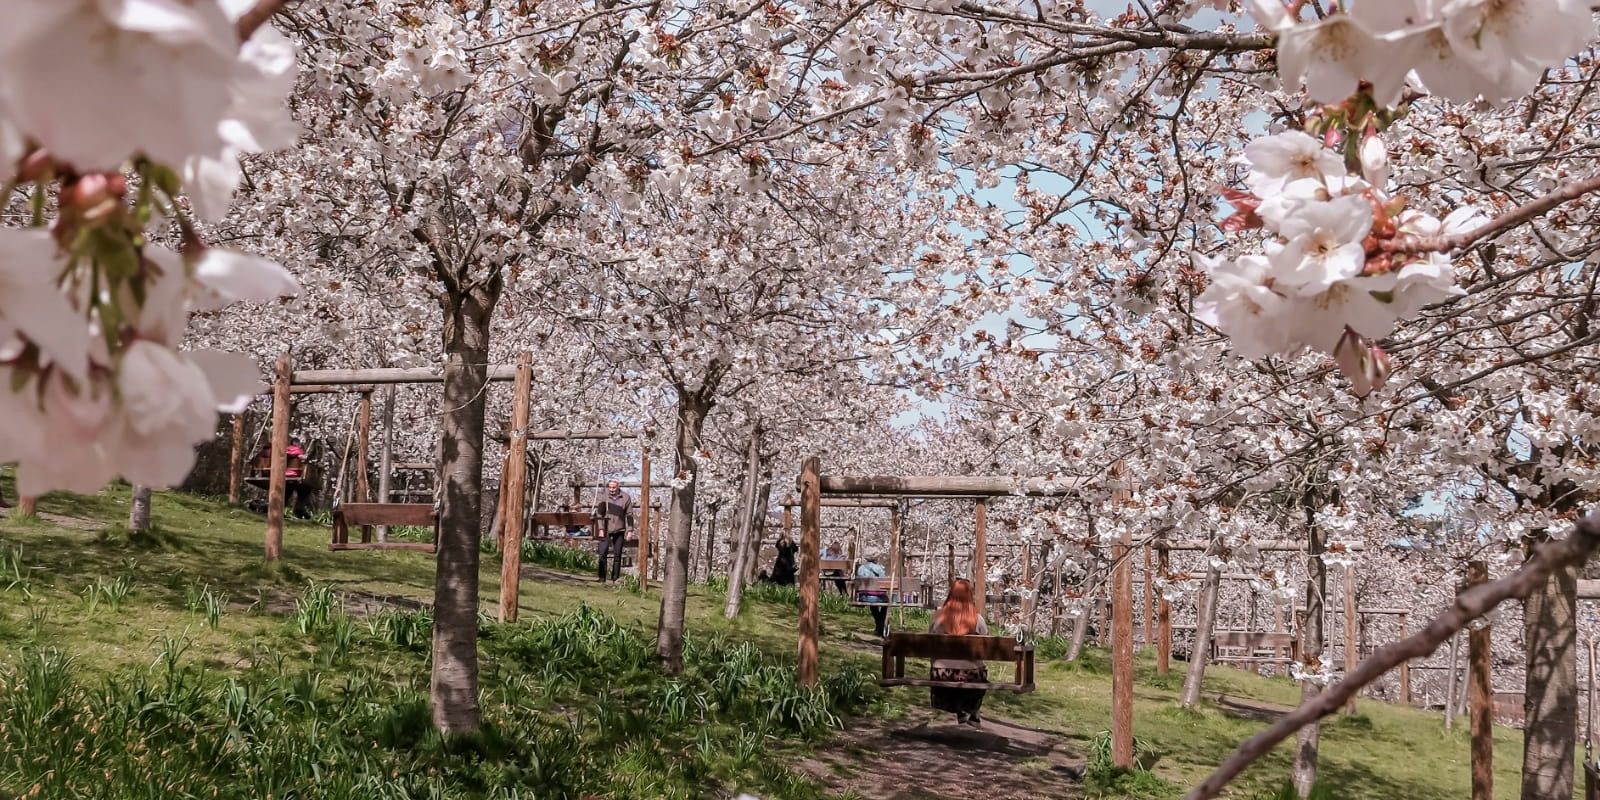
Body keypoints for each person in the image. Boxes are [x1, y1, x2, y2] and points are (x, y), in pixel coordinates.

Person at [930, 578, 989, 727]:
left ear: (950, 594)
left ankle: (961, 710)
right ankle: (971, 711)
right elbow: (985, 646)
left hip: (941, 674)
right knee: (979, 671)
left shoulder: (938, 617)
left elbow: (930, 643)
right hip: (971, 676)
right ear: (970, 596)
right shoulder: (977, 619)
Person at [593, 480, 633, 582]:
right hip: (606, 529)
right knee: (602, 553)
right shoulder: (604, 497)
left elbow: (629, 515)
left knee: (617, 554)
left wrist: (630, 530)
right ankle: (601, 577)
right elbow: (599, 514)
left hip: (619, 529)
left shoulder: (625, 497)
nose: (611, 490)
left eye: (613, 488)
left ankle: (615, 577)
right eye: (610, 487)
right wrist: (601, 528)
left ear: (618, 487)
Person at [855, 554, 890, 637]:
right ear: (875, 559)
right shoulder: (879, 568)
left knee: (873, 604)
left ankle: (879, 626)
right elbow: (884, 582)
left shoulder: (861, 568)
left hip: (865, 597)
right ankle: (880, 626)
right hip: (878, 597)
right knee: (886, 602)